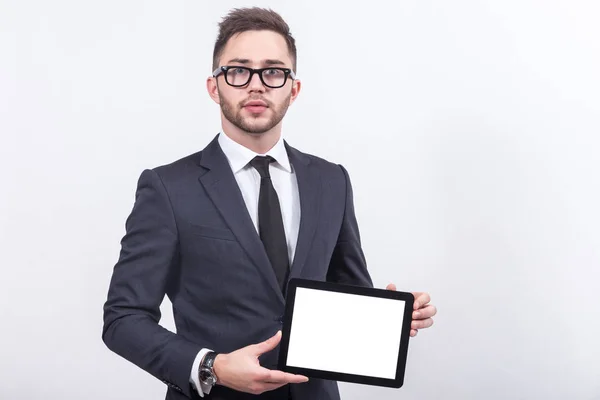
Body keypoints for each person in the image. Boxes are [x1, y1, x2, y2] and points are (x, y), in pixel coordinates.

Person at [102, 7, 437, 400]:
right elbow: (123, 318)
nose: (256, 85)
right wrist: (212, 366)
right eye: (239, 71)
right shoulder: (168, 187)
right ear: (215, 87)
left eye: (273, 71)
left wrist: (389, 319)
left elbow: (344, 294)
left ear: (293, 89)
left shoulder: (331, 181)